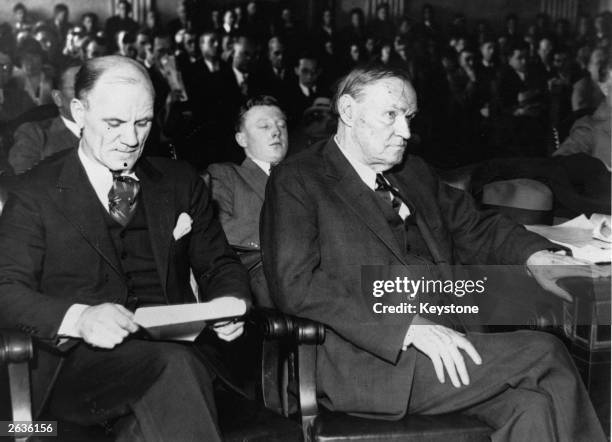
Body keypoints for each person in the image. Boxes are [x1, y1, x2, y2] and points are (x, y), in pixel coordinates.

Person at [260, 65, 607, 441]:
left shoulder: (412, 173)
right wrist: (406, 327)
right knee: (546, 351)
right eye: (391, 115)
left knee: (533, 407)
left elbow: (476, 226)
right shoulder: (299, 179)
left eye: (408, 117)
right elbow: (296, 284)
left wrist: (534, 256)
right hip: (376, 360)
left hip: (451, 343)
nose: (405, 132)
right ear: (347, 111)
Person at [0, 55, 250, 441]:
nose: (131, 139)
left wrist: (228, 304)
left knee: (148, 419)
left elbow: (219, 264)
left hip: (181, 361)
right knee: (172, 370)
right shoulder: (34, 192)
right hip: (80, 373)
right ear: (79, 112)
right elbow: (5, 290)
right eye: (114, 123)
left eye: (143, 122)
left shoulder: (180, 181)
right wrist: (80, 318)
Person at [208, 96, 287, 306]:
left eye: (281, 124)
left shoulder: (308, 178)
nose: (276, 131)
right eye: (264, 126)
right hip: (262, 274)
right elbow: (217, 228)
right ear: (241, 139)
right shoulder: (225, 174)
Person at [9, 63, 80, 174]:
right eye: (78, 88)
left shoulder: (112, 134)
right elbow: (25, 185)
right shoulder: (34, 135)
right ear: (58, 98)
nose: (88, 95)